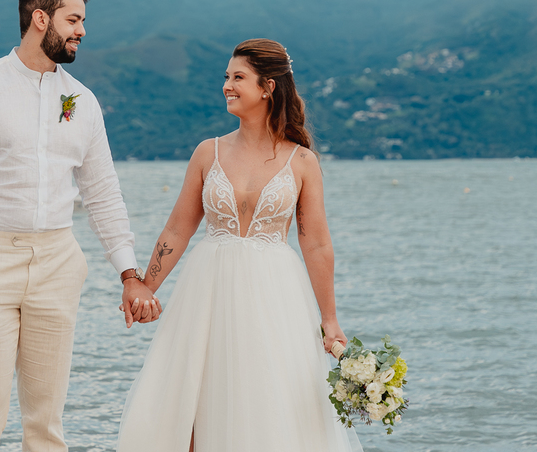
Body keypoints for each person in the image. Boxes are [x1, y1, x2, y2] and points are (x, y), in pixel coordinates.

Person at [0, 0, 160, 452]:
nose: (82, 31)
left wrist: (128, 272)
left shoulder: (82, 101)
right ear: (40, 18)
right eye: (73, 20)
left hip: (57, 261)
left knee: (46, 421)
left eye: (83, 21)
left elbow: (102, 191)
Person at [117, 38, 362, 452]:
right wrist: (144, 287)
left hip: (274, 297)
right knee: (191, 404)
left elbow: (317, 244)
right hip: (207, 295)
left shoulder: (302, 162)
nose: (227, 86)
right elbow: (177, 230)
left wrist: (330, 319)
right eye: (227, 77)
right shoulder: (207, 152)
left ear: (267, 87)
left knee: (268, 399)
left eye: (238, 77)